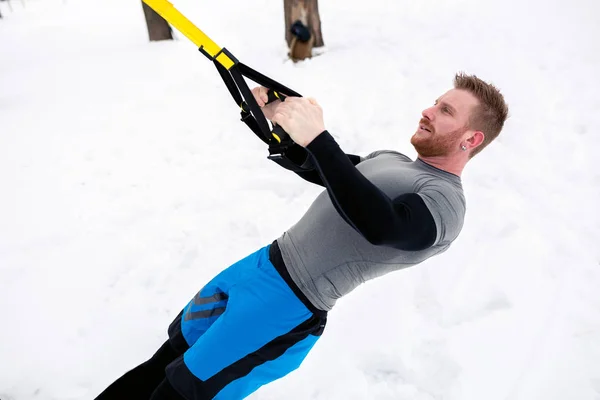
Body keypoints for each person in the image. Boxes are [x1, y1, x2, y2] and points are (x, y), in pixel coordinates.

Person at [95, 72, 509, 400]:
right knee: (166, 360)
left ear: (471, 139)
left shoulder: (446, 201)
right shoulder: (392, 159)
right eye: (435, 103)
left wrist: (319, 138)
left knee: (183, 392)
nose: (429, 111)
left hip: (287, 307)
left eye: (446, 111)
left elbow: (384, 225)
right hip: (260, 267)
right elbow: (323, 167)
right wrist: (271, 117)